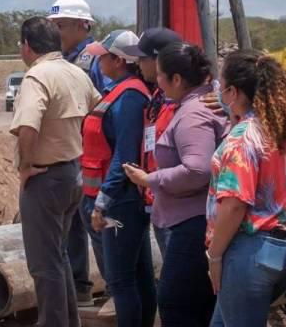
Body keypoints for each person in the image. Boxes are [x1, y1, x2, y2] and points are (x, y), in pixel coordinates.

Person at [206, 50, 286, 326]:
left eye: (221, 85)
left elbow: (234, 204)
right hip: (282, 249)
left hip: (248, 252)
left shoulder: (242, 140)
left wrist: (215, 256)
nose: (218, 91)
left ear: (232, 92)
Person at [124, 42, 227, 326]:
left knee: (174, 303)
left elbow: (197, 169)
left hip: (192, 224)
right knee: (200, 304)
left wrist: (150, 179)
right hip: (195, 220)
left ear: (177, 79)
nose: (156, 81)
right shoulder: (199, 105)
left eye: (160, 74)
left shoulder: (193, 113)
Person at [11, 16, 101, 327]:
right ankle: (67, 320)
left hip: (44, 177)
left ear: (27, 46)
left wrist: (25, 166)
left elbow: (28, 125)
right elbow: (97, 109)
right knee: (58, 255)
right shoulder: (75, 72)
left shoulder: (37, 76)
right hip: (72, 173)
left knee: (43, 263)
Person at [84, 30, 156, 327]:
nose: (98, 60)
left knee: (121, 281)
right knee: (138, 274)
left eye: (103, 55)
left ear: (118, 60)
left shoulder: (129, 96)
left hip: (120, 201)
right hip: (121, 198)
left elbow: (124, 156)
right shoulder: (122, 91)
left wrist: (102, 202)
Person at [47, 0, 106, 305]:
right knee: (71, 226)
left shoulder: (97, 59)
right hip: (72, 154)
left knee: (96, 222)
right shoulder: (64, 60)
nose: (57, 33)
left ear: (84, 25)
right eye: (53, 26)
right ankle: (78, 286)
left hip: (94, 157)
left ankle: (113, 289)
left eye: (63, 26)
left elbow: (109, 105)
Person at [135, 27, 182, 255]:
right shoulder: (159, 96)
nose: (138, 64)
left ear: (159, 60)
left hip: (177, 207)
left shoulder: (187, 102)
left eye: (143, 58)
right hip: (157, 199)